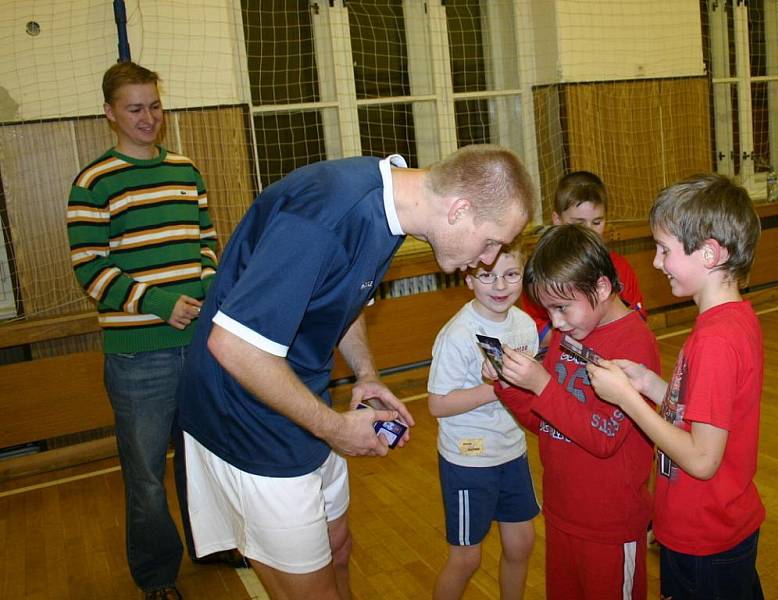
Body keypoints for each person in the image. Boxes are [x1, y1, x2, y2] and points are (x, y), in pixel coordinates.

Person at [176, 144, 534, 600]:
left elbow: (347, 299)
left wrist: (366, 374)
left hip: (301, 395)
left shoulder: (392, 209)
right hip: (244, 417)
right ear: (460, 209)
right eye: (490, 242)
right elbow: (233, 346)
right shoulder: (326, 217)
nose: (488, 259)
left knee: (338, 547)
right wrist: (336, 430)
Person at [66, 62, 218, 600]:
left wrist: (202, 291)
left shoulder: (185, 170)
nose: (148, 118)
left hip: (197, 347)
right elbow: (91, 268)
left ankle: (214, 544)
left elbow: (206, 243)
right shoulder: (93, 182)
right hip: (138, 358)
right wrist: (157, 304)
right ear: (110, 113)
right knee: (147, 477)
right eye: (135, 109)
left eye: (155, 105)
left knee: (203, 459)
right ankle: (156, 577)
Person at [588, 174, 765, 600]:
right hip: (710, 527)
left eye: (665, 249)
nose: (655, 262)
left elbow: (703, 459)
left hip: (706, 536)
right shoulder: (730, 320)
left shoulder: (715, 340)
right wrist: (650, 383)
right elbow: (709, 414)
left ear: (708, 254)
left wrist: (629, 400)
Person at [484, 224, 660, 600]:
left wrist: (541, 384)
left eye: (561, 308)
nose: (556, 322)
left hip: (611, 525)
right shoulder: (570, 333)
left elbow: (603, 437)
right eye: (548, 310)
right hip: (563, 514)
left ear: (600, 288)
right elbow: (546, 423)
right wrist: (509, 387)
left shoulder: (634, 343)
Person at [427, 241, 540, 600]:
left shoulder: (524, 325)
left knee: (521, 544)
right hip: (468, 459)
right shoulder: (458, 335)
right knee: (466, 558)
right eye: (487, 276)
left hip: (512, 452)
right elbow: (437, 404)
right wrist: (499, 388)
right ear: (469, 279)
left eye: (511, 275)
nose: (500, 286)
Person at [522, 171, 646, 348]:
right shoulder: (542, 270)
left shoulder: (620, 267)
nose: (589, 231)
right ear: (557, 220)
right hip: (561, 360)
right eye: (579, 223)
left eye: (597, 222)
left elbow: (637, 322)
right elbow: (535, 331)